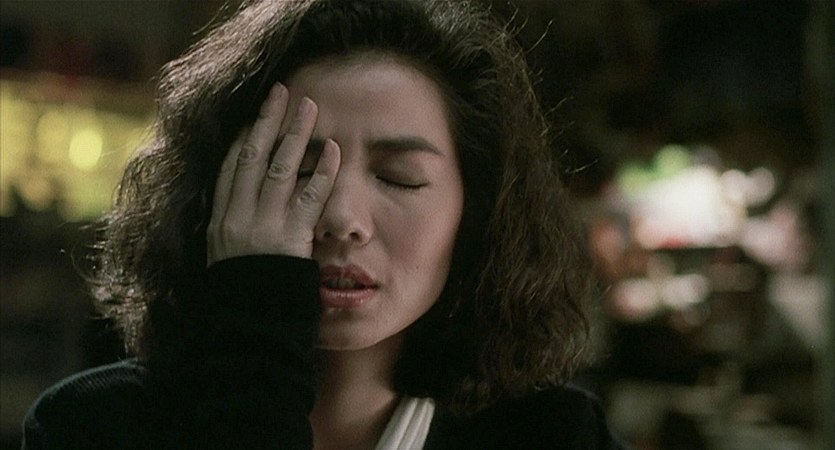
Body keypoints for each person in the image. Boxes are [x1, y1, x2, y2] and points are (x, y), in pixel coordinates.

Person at [23, 0, 624, 448]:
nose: (341, 219)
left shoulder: (555, 435)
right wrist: (253, 342)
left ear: (479, 209)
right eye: (295, 170)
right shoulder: (93, 427)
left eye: (399, 178)